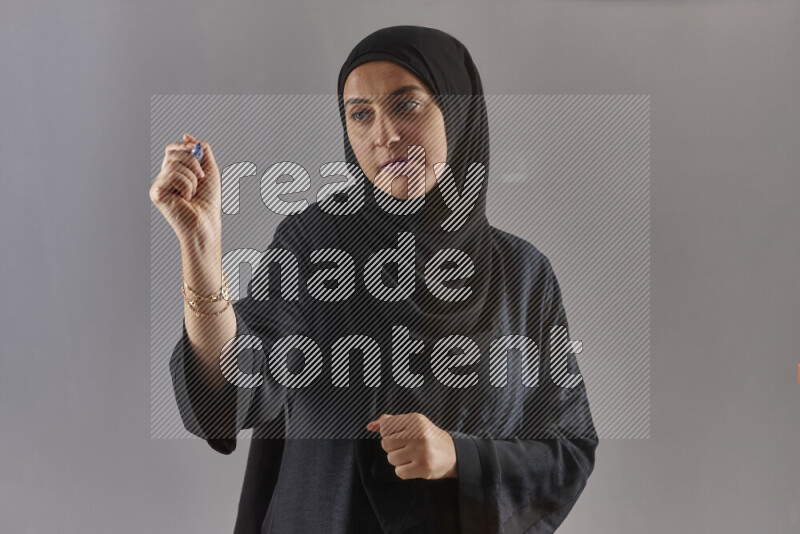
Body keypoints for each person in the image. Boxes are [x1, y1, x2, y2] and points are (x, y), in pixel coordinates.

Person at [151, 25, 598, 534]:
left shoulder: (522, 274)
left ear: (457, 111)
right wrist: (201, 248)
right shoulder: (315, 245)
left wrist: (459, 457)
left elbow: (567, 450)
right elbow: (232, 387)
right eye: (361, 114)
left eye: (406, 105)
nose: (384, 135)